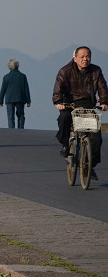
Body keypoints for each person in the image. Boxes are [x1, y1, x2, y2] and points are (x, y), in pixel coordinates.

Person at [52, 46, 108, 179]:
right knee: (64, 119)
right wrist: (58, 102)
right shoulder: (65, 71)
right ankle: (66, 145)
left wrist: (104, 102)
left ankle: (89, 165)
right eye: (82, 56)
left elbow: (102, 87)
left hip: (88, 106)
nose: (85, 59)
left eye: (87, 56)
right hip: (69, 105)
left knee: (96, 139)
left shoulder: (96, 71)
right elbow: (58, 88)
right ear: (75, 58)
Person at [0, 59, 32, 129]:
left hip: (9, 99)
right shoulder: (23, 76)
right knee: (21, 115)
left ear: (9, 67)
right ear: (17, 66)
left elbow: (3, 89)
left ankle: (11, 131)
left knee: (10, 116)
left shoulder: (6, 77)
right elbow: (26, 89)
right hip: (20, 98)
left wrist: (0, 101)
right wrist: (28, 101)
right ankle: (21, 129)